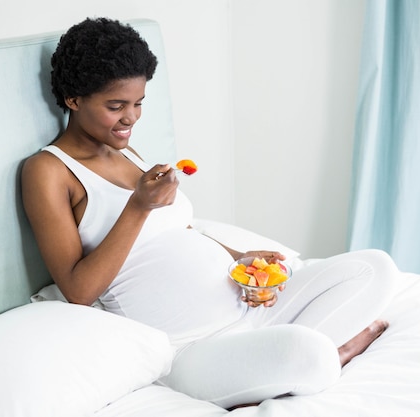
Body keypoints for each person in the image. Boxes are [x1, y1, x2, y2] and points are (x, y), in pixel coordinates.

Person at [21, 17, 396, 409]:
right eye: (116, 106)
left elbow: (182, 231)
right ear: (74, 99)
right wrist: (138, 206)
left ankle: (281, 357)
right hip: (192, 349)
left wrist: (240, 260)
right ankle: (330, 355)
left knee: (374, 269)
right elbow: (78, 292)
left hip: (250, 312)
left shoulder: (127, 152)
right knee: (310, 355)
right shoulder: (48, 171)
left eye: (138, 103)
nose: (131, 118)